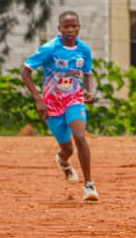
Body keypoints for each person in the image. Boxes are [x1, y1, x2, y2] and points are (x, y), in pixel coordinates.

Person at [21, 11, 99, 202]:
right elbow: (25, 72)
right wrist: (38, 99)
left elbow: (87, 73)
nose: (71, 30)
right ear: (59, 29)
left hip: (74, 99)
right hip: (52, 104)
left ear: (79, 27)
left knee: (80, 136)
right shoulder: (49, 49)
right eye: (66, 26)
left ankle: (89, 185)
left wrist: (89, 91)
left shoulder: (84, 50)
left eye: (74, 26)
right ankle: (63, 161)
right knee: (67, 149)